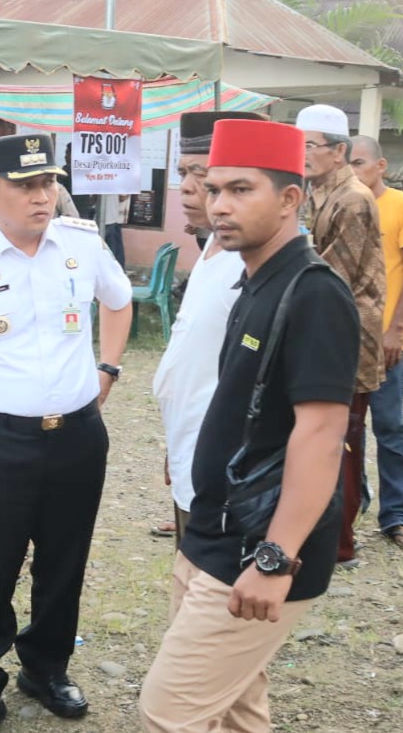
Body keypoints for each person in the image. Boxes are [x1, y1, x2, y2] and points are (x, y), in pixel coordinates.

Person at [138, 118, 359, 733]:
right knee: (236, 706)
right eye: (214, 190)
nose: (220, 205)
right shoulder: (254, 280)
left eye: (241, 190)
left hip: (256, 543)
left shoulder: (312, 293)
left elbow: (320, 435)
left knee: (168, 711)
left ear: (290, 199)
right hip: (212, 527)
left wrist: (275, 559)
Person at [0, 134, 131, 733]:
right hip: (0, 441)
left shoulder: (81, 245)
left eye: (49, 183)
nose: (44, 197)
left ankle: (46, 668)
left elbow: (119, 302)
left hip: (78, 436)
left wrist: (107, 368)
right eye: (27, 187)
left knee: (65, 563)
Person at [150, 112, 260, 541]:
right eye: (184, 173)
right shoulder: (213, 245)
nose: (190, 189)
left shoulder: (251, 262)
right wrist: (178, 438)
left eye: (203, 176)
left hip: (225, 463)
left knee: (208, 588)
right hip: (190, 443)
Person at [298, 104, 385, 569]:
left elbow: (334, 275)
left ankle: (340, 544)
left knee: (342, 439)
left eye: (310, 146)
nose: (303, 154)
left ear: (339, 152)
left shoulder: (352, 198)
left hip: (348, 336)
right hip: (321, 328)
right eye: (299, 145)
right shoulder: (313, 193)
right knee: (316, 436)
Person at [349, 136, 403, 551]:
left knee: (389, 426)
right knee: (345, 429)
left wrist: (396, 327)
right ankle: (351, 503)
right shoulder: (340, 206)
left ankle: (396, 515)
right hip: (341, 337)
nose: (353, 171)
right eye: (347, 164)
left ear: (381, 166)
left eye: (360, 162)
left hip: (383, 340)